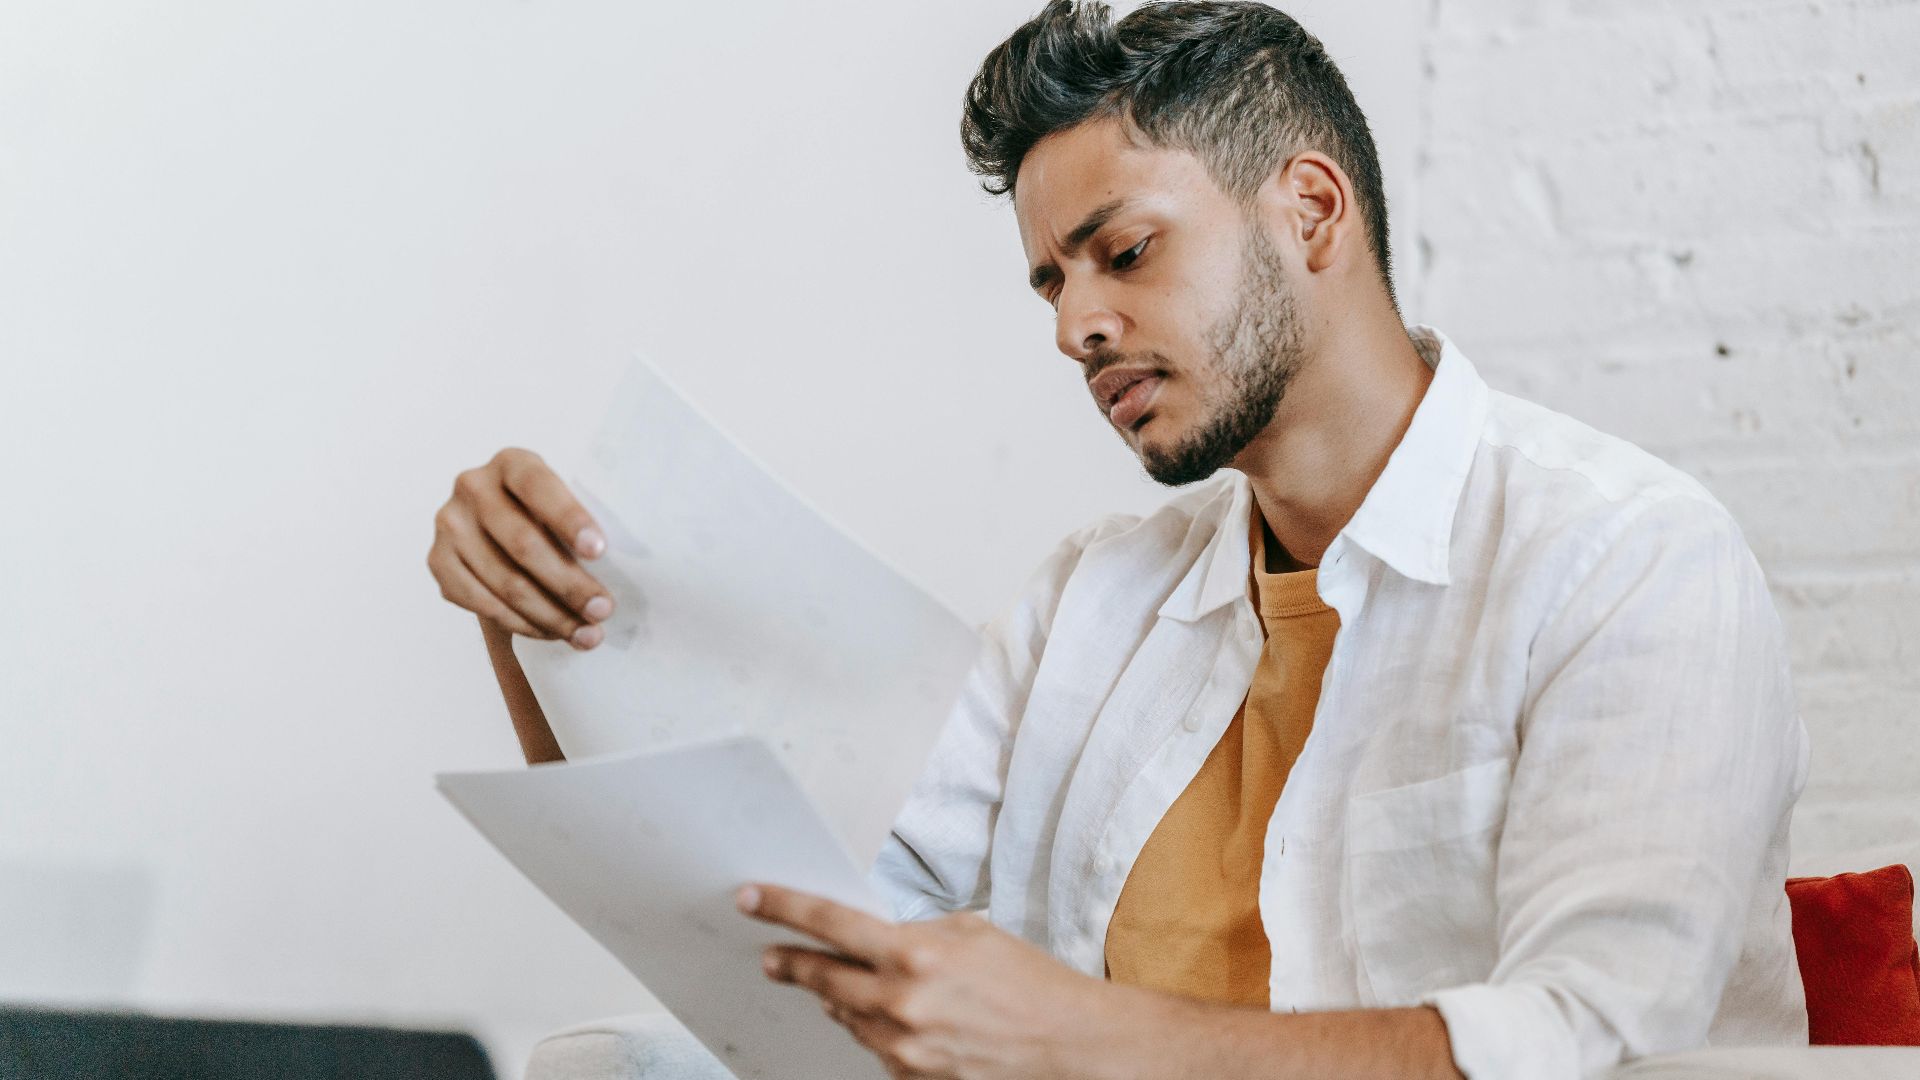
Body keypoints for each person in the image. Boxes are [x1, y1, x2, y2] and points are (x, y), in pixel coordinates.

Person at [426, 2, 1810, 1077]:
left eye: (1124, 252)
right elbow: (784, 915)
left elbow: (1611, 1044)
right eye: (1050, 279)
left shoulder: (1626, 563)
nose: (1073, 326)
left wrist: (1083, 1042)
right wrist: (548, 617)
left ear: (1311, 211)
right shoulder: (1094, 601)